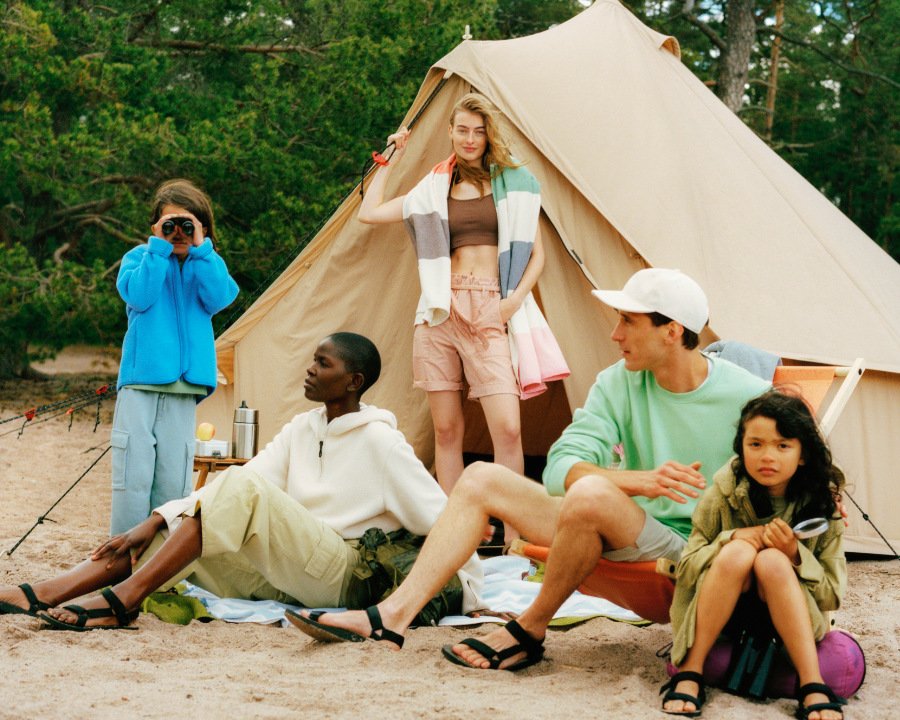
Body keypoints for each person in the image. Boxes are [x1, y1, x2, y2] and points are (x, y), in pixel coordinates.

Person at [290, 268, 769, 668]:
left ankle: (529, 628)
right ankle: (391, 617)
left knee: (591, 494)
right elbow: (560, 468)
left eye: (628, 320)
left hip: (695, 546)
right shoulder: (618, 383)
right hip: (620, 524)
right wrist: (638, 481)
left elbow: (789, 477)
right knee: (481, 478)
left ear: (672, 331)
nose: (615, 334)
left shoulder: (747, 395)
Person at [0, 333, 482, 630]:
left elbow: (447, 522)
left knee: (239, 490)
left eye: (323, 363)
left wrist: (471, 591)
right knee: (174, 539)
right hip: (295, 573)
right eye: (313, 359)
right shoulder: (303, 428)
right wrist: (156, 519)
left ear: (353, 381)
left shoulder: (382, 443)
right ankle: (44, 592)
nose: (310, 369)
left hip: (344, 575)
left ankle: (125, 600)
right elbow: (244, 480)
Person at [358, 93, 569, 541]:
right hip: (439, 309)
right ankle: (455, 536)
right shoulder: (434, 188)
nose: (470, 139)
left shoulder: (516, 184)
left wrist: (511, 303)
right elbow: (369, 212)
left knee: (507, 430)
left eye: (478, 131)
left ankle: (513, 537)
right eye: (462, 130)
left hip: (491, 304)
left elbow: (538, 256)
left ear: (488, 135)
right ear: (450, 132)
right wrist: (391, 156)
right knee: (447, 429)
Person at [661, 391, 847, 719]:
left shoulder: (821, 505)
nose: (767, 456)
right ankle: (691, 670)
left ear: (803, 455)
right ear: (742, 447)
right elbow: (686, 569)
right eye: (756, 444)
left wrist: (795, 554)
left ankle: (811, 683)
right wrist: (731, 538)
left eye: (783, 446)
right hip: (722, 620)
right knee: (737, 552)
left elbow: (832, 595)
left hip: (792, 623)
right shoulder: (721, 495)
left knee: (771, 560)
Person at [110, 178, 239, 535]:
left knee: (173, 478)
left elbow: (221, 298)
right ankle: (122, 551)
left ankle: (162, 555)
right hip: (140, 384)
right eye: (170, 225)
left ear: (203, 229)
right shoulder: (140, 259)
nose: (178, 233)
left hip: (184, 388)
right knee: (132, 474)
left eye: (187, 225)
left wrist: (202, 250)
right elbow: (139, 296)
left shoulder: (206, 264)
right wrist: (157, 250)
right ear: (155, 228)